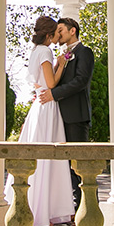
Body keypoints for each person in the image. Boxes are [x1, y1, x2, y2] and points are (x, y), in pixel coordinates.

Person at [10, 15, 76, 226]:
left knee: (39, 157)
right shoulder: (46, 51)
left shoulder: (35, 52)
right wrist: (61, 64)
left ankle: (38, 208)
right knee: (49, 158)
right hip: (47, 106)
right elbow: (51, 83)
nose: (58, 36)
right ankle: (44, 211)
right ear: (48, 35)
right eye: (56, 33)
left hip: (39, 104)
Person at [39, 16, 94, 209]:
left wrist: (53, 94)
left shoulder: (85, 52)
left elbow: (80, 82)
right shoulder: (61, 56)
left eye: (61, 30)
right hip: (58, 117)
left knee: (79, 166)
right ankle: (70, 209)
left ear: (73, 31)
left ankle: (85, 209)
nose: (58, 34)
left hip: (76, 117)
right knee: (64, 167)